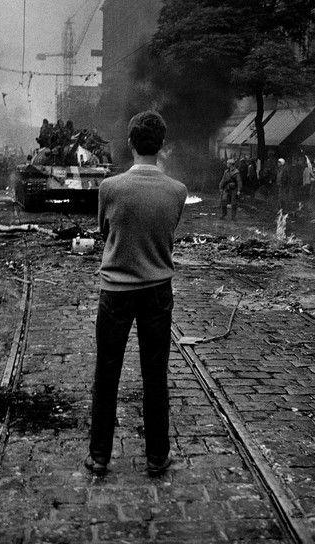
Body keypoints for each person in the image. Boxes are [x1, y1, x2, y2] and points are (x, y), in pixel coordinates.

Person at [86, 111, 187, 477]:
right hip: (158, 292)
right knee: (155, 375)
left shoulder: (109, 188)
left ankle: (99, 456)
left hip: (114, 293)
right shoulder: (177, 191)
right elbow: (169, 231)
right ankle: (157, 456)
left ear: (130, 142)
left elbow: (104, 230)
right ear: (161, 146)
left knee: (107, 373)